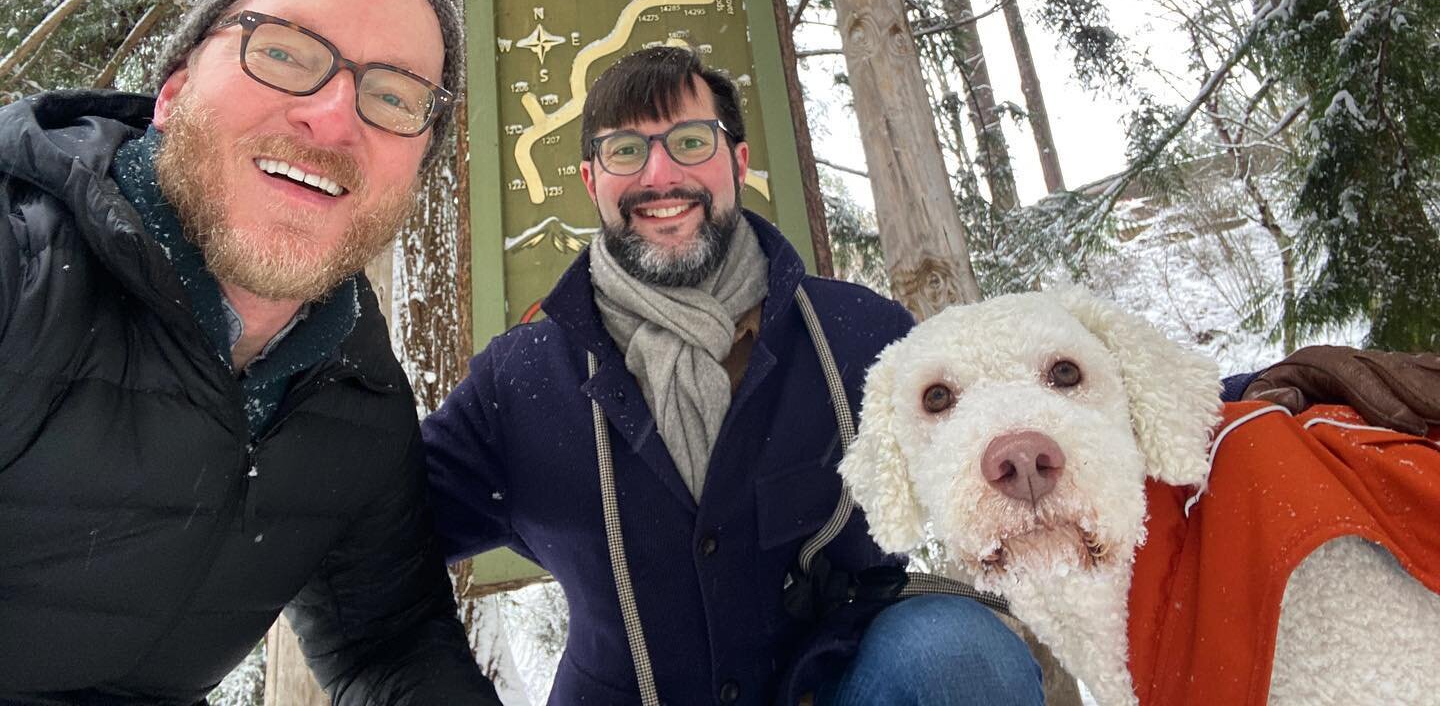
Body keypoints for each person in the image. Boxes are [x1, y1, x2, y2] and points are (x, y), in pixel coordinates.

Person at [424, 44, 1440, 706]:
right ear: (593, 180)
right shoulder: (521, 381)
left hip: (844, 684)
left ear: (736, 161)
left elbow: (1016, 401)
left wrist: (1273, 391)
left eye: (689, 142)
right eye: (625, 152)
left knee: (957, 655)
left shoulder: (857, 332)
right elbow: (379, 518)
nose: (660, 176)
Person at [0, 0, 500, 705]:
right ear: (173, 92)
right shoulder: (22, 269)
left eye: (395, 96)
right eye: (281, 52)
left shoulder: (354, 386)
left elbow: (388, 641)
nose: (335, 117)